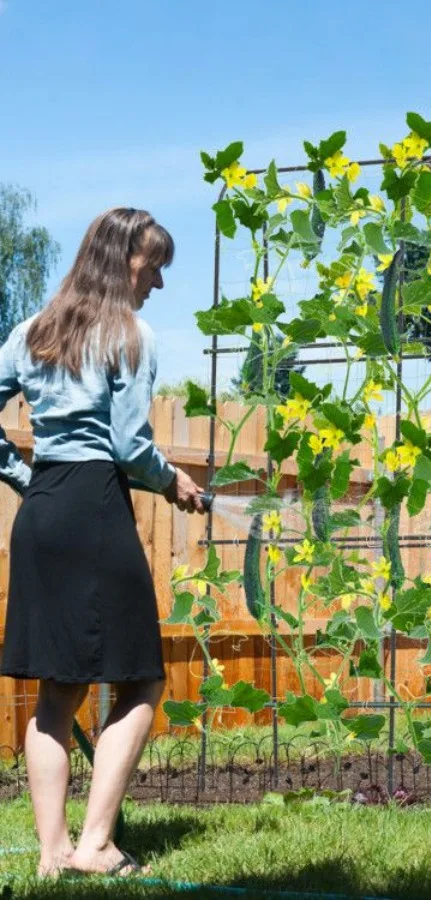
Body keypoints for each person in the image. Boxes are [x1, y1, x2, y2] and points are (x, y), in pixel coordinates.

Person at [0, 207, 205, 879]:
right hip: (94, 508)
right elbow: (127, 446)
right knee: (141, 678)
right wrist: (171, 480)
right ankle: (95, 843)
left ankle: (52, 855)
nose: (159, 284)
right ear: (124, 262)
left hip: (43, 510)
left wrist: (24, 478)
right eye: (155, 268)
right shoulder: (130, 335)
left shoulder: (32, 330)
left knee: (57, 691)